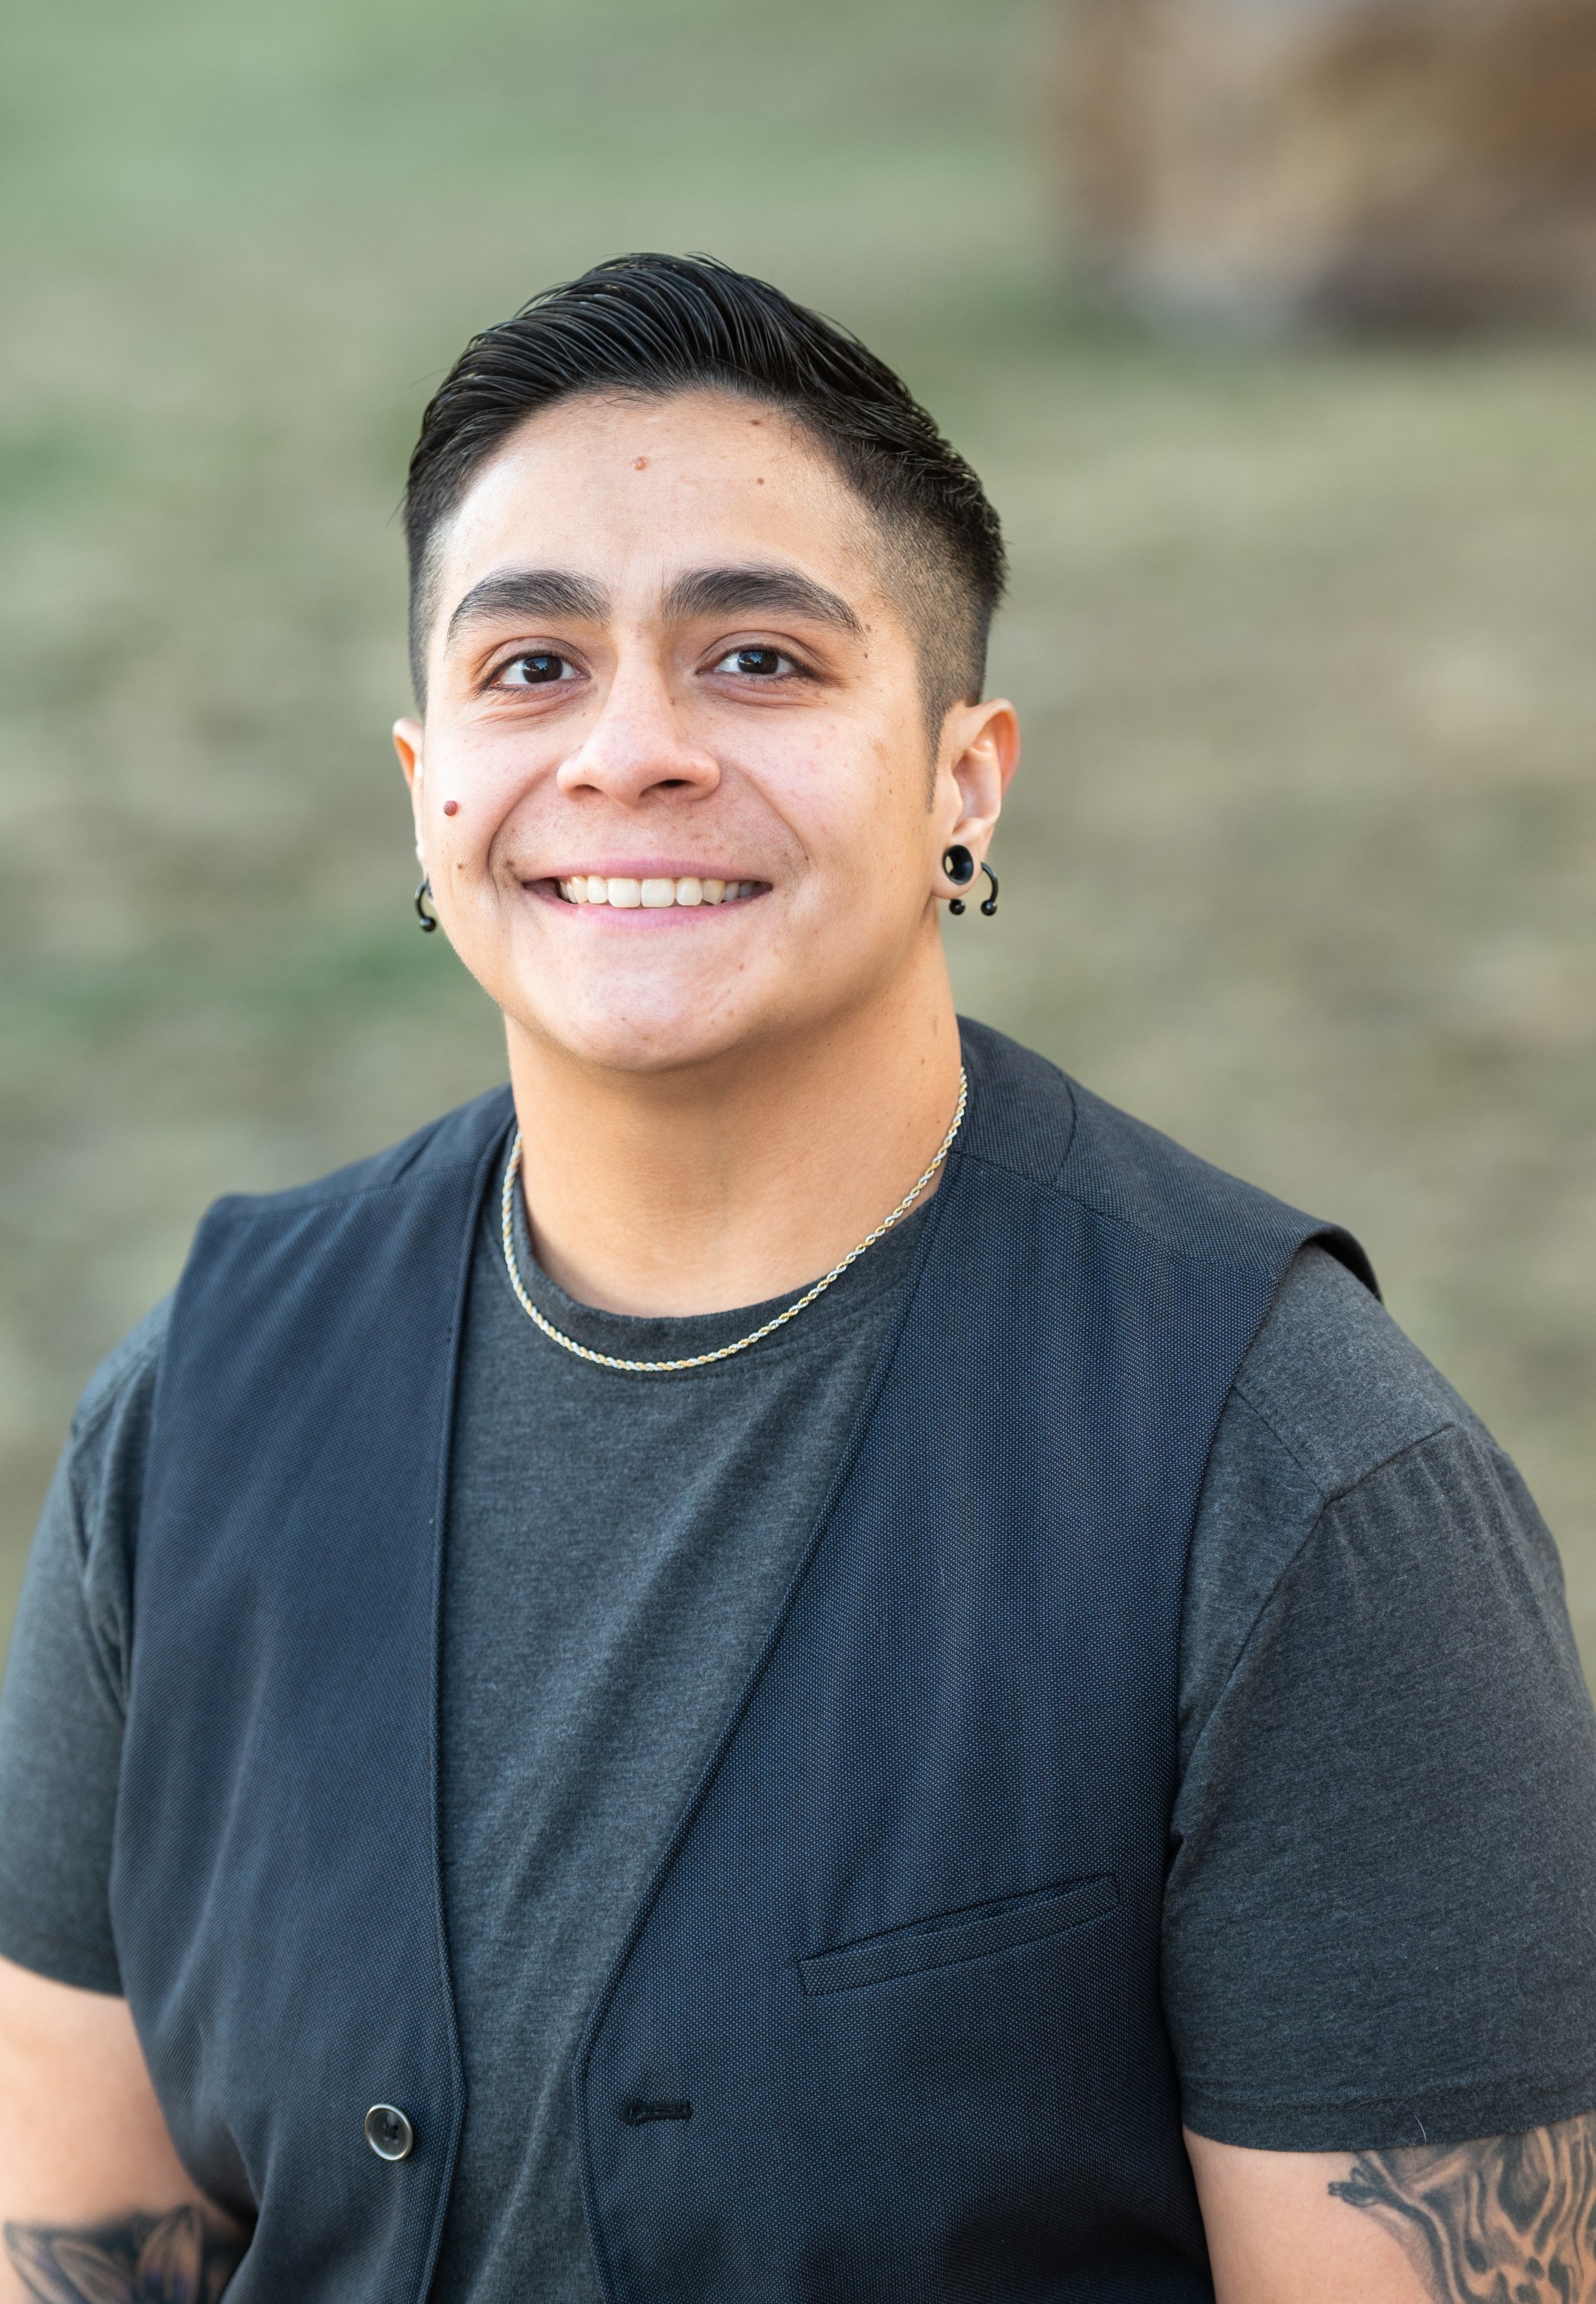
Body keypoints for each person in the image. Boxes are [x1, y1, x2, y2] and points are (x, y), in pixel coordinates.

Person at [0, 253, 1592, 2304]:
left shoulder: (1300, 1486)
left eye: (757, 659)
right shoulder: (193, 1413)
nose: (632, 751)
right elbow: (73, 2239)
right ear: (428, 798)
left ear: (963, 778)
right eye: (530, 668)